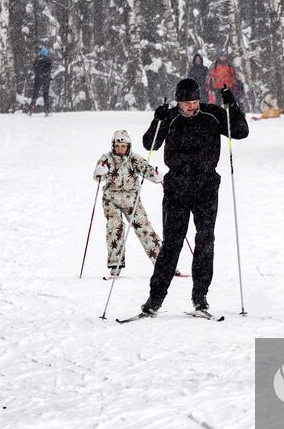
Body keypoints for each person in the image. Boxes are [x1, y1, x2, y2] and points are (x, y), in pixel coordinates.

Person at [138, 78, 249, 316]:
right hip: (177, 188)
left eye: (195, 101)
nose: (191, 106)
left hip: (206, 187)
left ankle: (200, 298)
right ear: (178, 101)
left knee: (205, 241)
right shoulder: (170, 117)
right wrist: (156, 120)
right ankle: (154, 300)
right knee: (171, 245)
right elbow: (150, 144)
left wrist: (233, 106)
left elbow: (241, 132)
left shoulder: (212, 114)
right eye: (186, 102)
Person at [93, 130, 163, 277]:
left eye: (123, 146)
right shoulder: (107, 158)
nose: (120, 149)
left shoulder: (134, 158)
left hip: (132, 199)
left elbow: (146, 169)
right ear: (113, 146)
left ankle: (163, 262)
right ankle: (115, 263)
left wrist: (155, 176)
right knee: (115, 226)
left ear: (128, 146)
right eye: (118, 146)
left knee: (144, 227)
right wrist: (99, 172)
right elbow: (98, 174)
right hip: (111, 199)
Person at [29, 46, 53, 115]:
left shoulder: (37, 60)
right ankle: (46, 110)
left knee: (35, 94)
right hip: (46, 79)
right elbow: (49, 70)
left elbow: (34, 69)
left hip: (38, 79)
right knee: (46, 95)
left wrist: (39, 74)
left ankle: (31, 109)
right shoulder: (49, 60)